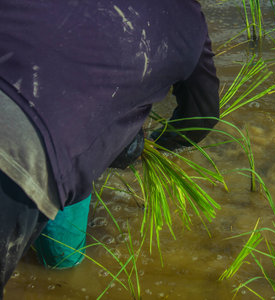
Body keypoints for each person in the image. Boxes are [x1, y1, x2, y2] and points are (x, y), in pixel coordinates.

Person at [0, 0, 220, 297]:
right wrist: (148, 143)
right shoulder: (187, 20)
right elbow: (201, 118)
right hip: (22, 151)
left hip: (26, 113)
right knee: (62, 260)